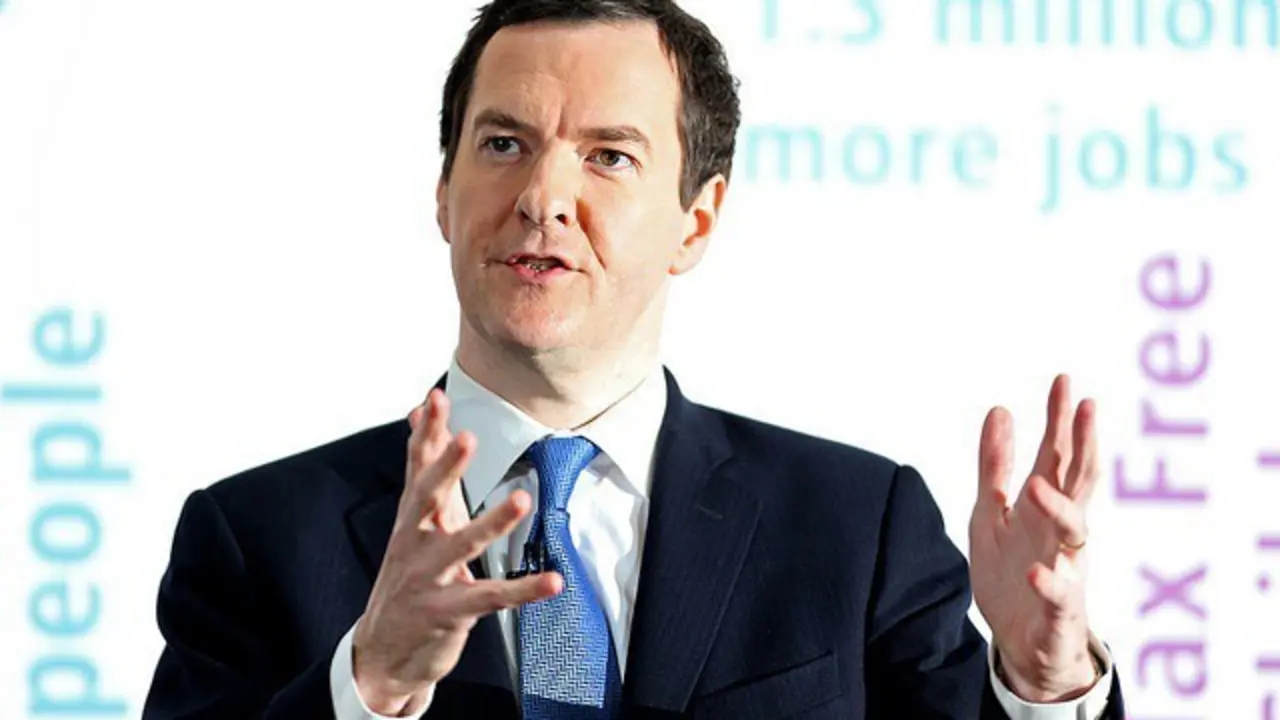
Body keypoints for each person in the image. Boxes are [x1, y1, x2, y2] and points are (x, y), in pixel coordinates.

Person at [141, 0, 1125, 718]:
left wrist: (1044, 688)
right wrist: (370, 684)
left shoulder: (854, 529)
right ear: (442, 191)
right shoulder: (256, 540)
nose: (542, 198)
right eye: (502, 144)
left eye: (607, 156)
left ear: (695, 221)